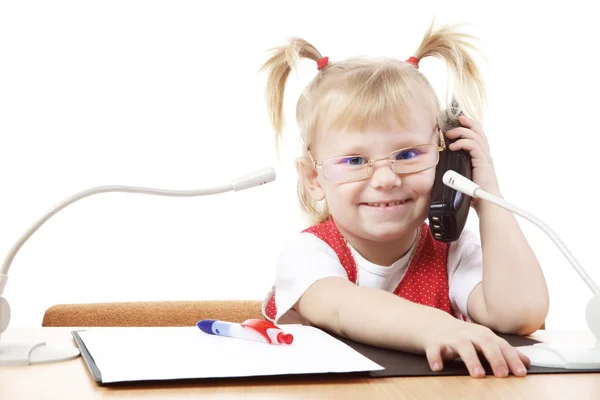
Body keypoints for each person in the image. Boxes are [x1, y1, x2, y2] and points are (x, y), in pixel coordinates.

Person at [259, 22, 549, 378]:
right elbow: (342, 308)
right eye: (354, 160)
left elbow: (521, 314)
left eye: (409, 154)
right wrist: (436, 327)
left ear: (445, 161)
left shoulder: (452, 253)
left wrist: (486, 194)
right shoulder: (308, 255)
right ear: (314, 178)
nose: (385, 179)